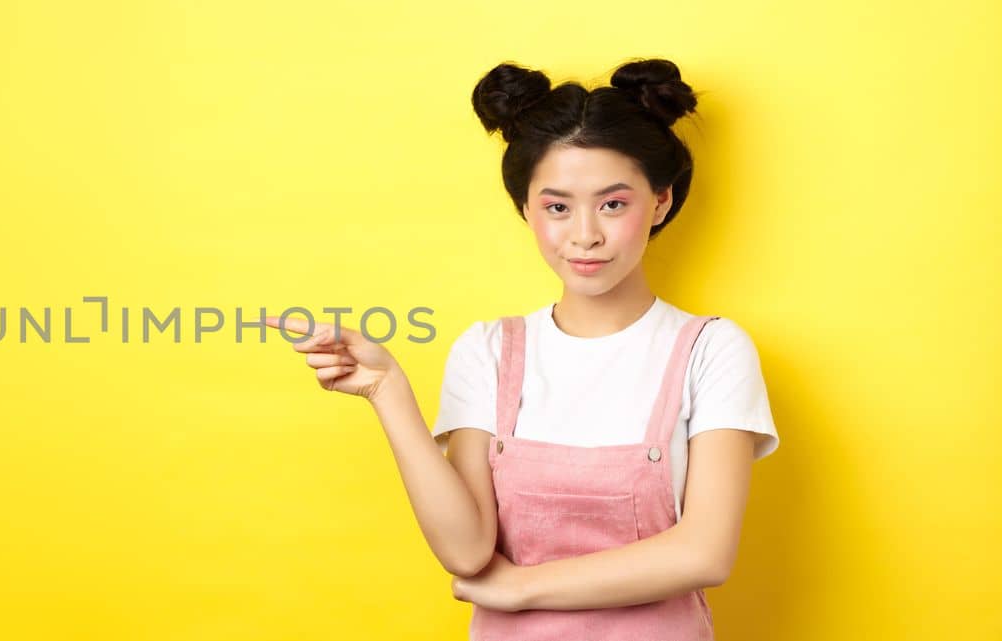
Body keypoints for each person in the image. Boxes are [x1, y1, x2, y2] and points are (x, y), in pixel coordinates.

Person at [261, 58, 779, 639]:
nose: (585, 234)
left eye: (613, 203)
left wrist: (520, 588)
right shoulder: (489, 350)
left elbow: (703, 554)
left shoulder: (711, 350)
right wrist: (387, 390)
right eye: (558, 207)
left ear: (660, 202)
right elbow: (467, 551)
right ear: (526, 209)